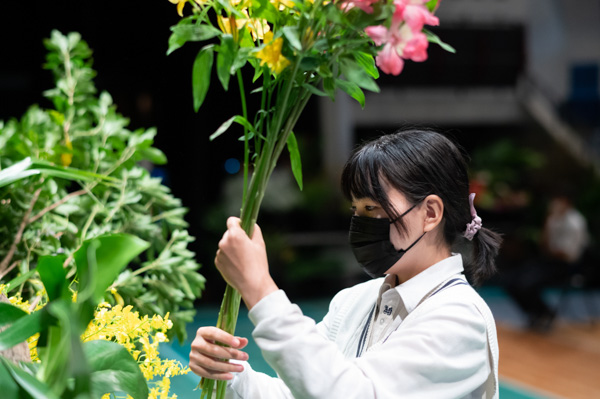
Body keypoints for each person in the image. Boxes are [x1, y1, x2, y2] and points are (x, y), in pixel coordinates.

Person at [189, 129, 503, 398]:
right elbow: (297, 392)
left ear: (431, 213)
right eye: (356, 210)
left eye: (373, 208)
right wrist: (229, 373)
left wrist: (257, 286)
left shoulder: (459, 318)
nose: (361, 223)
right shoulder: (356, 300)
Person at [505, 194, 589, 331]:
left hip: (566, 266)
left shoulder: (576, 222)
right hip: (548, 261)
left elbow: (568, 254)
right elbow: (544, 246)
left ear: (567, 202)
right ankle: (536, 312)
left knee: (527, 283)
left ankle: (545, 313)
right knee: (511, 280)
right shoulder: (553, 219)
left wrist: (551, 250)